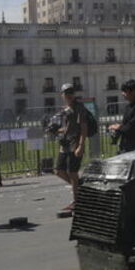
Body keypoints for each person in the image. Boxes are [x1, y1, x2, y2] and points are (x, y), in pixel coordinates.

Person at [54, 83, 89, 214]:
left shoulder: (79, 107)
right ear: (61, 95)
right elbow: (66, 127)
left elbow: (83, 127)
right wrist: (56, 131)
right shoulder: (64, 109)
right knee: (58, 170)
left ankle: (77, 201)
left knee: (72, 173)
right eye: (66, 93)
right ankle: (81, 190)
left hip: (75, 144)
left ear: (74, 94)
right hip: (65, 145)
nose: (68, 95)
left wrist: (81, 145)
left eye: (70, 92)